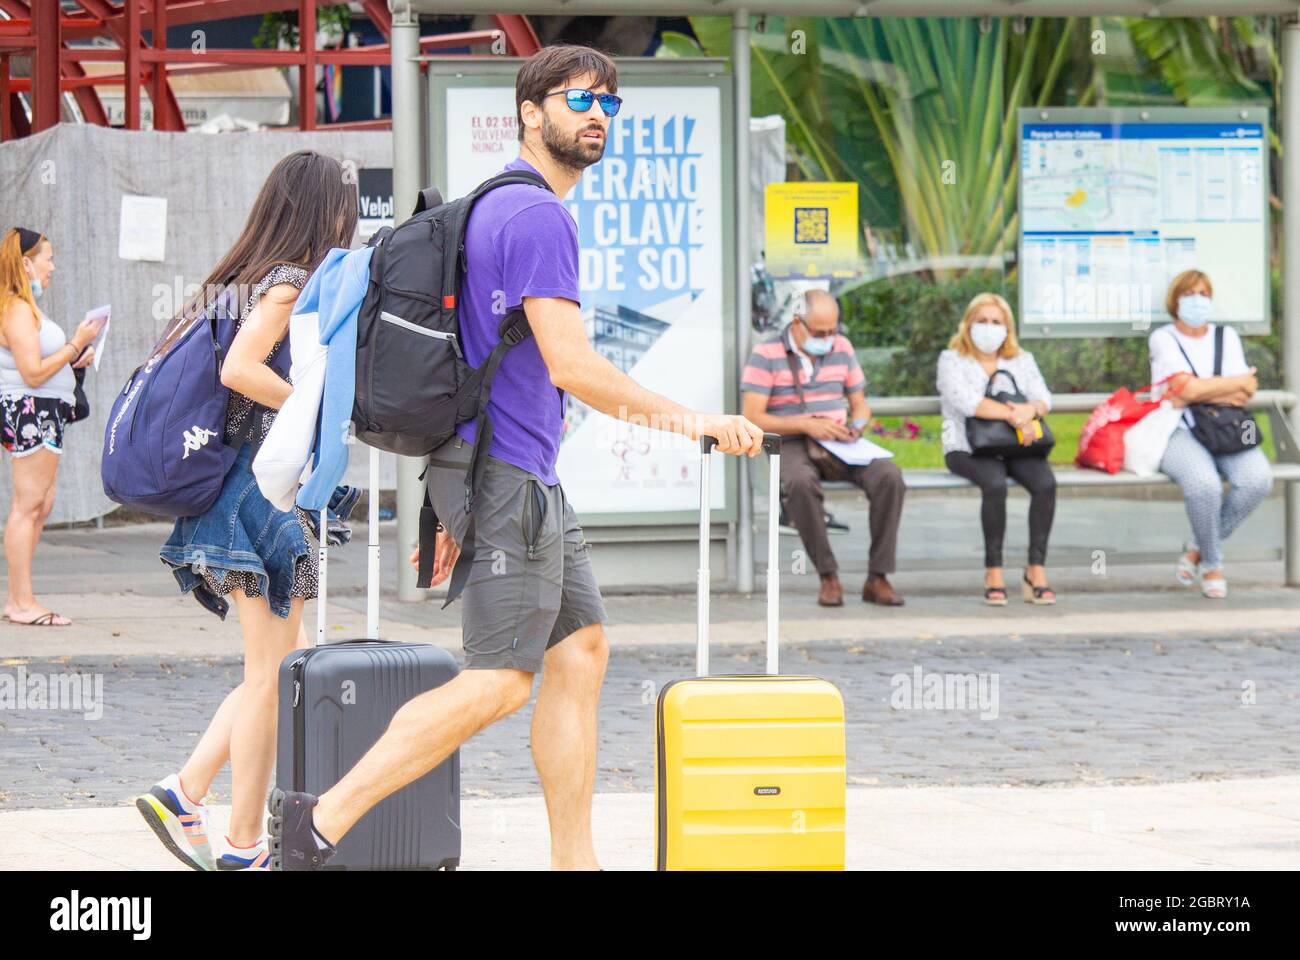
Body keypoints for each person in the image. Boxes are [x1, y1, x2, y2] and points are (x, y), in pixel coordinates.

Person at [266, 45, 763, 872]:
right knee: (499, 678)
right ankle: (319, 823)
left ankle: (578, 863)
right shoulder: (536, 217)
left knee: (580, 652)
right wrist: (693, 423)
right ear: (531, 113)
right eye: (578, 100)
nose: (597, 114)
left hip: (518, 475)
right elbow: (571, 363)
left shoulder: (497, 203)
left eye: (609, 102)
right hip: (506, 480)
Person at [134, 151, 358, 870]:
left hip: (232, 496)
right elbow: (241, 369)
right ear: (326, 213)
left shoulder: (241, 277)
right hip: (259, 498)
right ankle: (237, 841)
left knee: (272, 669)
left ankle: (195, 799)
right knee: (272, 676)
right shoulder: (291, 280)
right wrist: (314, 417)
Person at [741, 289, 906, 607]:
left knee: (890, 477)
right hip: (790, 439)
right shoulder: (766, 353)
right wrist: (805, 424)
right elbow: (753, 417)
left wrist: (856, 427)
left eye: (833, 331)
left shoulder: (842, 347)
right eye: (819, 333)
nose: (828, 339)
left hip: (838, 438)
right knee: (800, 484)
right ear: (797, 322)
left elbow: (860, 406)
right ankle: (827, 575)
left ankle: (878, 576)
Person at [1149, 270, 1271, 600]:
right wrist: (1222, 386)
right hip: (1180, 428)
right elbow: (1180, 391)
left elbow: (1246, 390)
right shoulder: (1163, 338)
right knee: (1204, 486)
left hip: (1231, 426)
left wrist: (1198, 390)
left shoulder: (1226, 336)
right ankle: (1212, 564)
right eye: (1190, 294)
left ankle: (1196, 547)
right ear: (1175, 300)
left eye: (1204, 294)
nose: (1198, 300)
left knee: (1259, 479)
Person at [0, 228, 100, 626]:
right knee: (27, 506)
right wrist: (75, 344)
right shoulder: (17, 309)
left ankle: (20, 598)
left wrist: (72, 359)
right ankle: (21, 602)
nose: (53, 266)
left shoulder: (26, 308)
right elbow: (33, 372)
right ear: (26, 262)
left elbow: (43, 364)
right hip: (30, 411)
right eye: (48, 258)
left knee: (41, 505)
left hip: (43, 413)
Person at [938, 292, 1056, 605]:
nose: (989, 328)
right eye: (982, 321)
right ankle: (994, 571)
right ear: (968, 325)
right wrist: (1014, 413)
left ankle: (1036, 570)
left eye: (996, 322)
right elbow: (966, 401)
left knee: (1045, 484)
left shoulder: (1021, 360)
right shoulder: (951, 359)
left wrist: (1030, 410)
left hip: (1016, 446)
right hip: (968, 447)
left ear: (1007, 327)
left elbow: (1044, 397)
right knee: (994, 485)